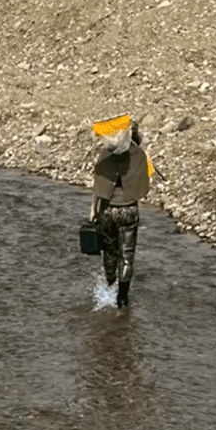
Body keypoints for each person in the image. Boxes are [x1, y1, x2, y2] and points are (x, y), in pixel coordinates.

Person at [89, 114, 152, 307]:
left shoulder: (105, 155)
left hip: (108, 210)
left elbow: (98, 184)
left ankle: (109, 289)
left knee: (109, 253)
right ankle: (122, 298)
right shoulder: (140, 155)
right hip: (129, 210)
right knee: (127, 256)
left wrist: (93, 209)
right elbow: (146, 179)